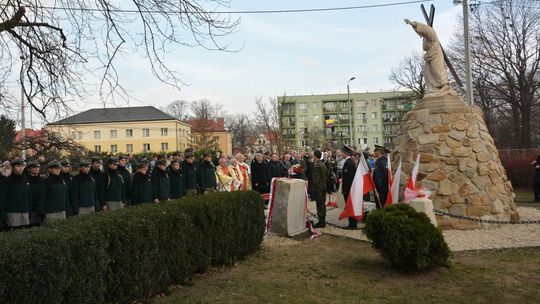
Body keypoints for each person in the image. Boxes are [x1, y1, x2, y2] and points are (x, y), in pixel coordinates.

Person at [3, 159, 31, 227]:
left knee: (26, 233)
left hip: (25, 211)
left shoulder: (26, 179)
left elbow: (29, 196)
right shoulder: (7, 180)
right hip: (13, 211)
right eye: (18, 166)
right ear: (12, 167)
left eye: (22, 166)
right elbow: (3, 197)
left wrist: (29, 210)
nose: (21, 168)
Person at [341, 145, 358, 229]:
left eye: (342, 152)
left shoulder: (348, 163)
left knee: (349, 206)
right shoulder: (351, 161)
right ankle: (353, 223)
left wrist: (344, 190)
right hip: (352, 188)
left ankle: (352, 224)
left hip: (349, 189)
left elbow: (347, 179)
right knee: (351, 205)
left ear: (345, 153)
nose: (341, 154)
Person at [312, 151, 328, 228]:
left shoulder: (317, 165)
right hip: (323, 187)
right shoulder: (322, 164)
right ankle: (322, 220)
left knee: (320, 204)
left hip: (319, 188)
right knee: (322, 204)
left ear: (315, 156)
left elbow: (316, 179)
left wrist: (314, 188)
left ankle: (321, 222)